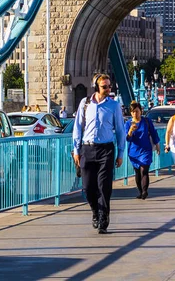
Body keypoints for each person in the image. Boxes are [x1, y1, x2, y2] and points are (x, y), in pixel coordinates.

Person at [73, 73, 125, 234]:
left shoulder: (114, 105)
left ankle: (103, 217)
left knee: (104, 186)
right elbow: (77, 127)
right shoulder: (85, 103)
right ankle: (95, 211)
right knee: (88, 187)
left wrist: (120, 153)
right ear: (96, 87)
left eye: (109, 86)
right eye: (104, 87)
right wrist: (76, 150)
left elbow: (120, 130)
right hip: (87, 149)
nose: (108, 89)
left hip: (106, 150)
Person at [125, 101, 160, 199]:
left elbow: (153, 133)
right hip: (134, 151)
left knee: (144, 170)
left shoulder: (146, 121)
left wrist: (157, 146)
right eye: (133, 112)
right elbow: (127, 139)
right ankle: (140, 191)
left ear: (141, 111)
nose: (135, 114)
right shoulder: (128, 124)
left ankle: (145, 191)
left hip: (146, 150)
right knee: (137, 172)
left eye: (137, 111)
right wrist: (131, 131)